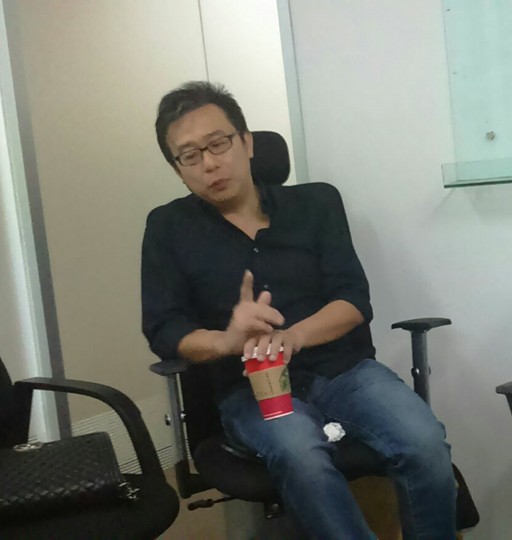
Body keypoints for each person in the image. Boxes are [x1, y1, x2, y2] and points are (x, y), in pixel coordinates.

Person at [141, 81, 456, 539]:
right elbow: (165, 329)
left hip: (344, 371)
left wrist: (293, 337)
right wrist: (228, 340)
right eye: (190, 155)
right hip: (250, 388)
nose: (209, 163)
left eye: (218, 143)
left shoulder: (316, 204)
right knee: (301, 455)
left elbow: (353, 300)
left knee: (424, 442)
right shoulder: (168, 228)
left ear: (246, 142)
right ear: (177, 168)